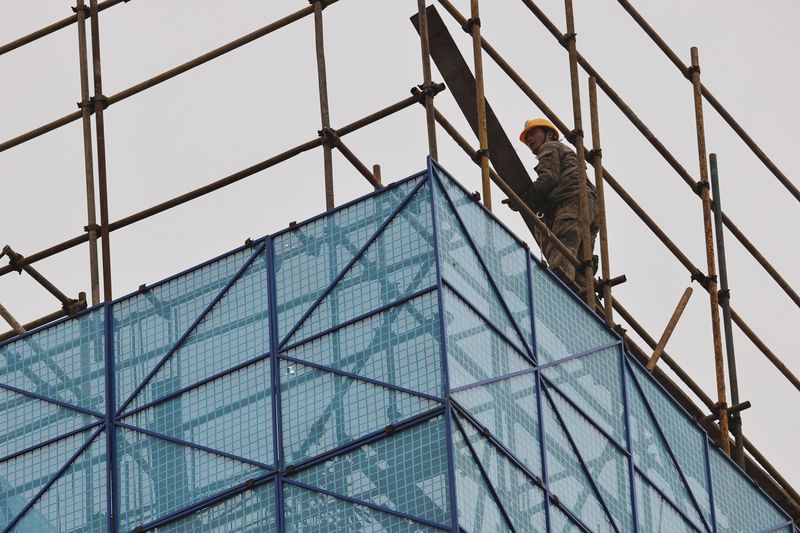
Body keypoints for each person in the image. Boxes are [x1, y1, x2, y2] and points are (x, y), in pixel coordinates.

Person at [517, 118, 599, 289]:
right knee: (581, 265)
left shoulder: (550, 147)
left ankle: (558, 291)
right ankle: (585, 294)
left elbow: (548, 178)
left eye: (533, 134)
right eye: (527, 138)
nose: (530, 140)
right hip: (590, 207)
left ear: (548, 134)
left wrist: (523, 199)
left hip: (571, 203)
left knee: (562, 253)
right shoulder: (567, 152)